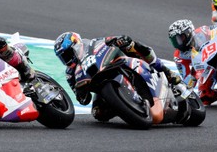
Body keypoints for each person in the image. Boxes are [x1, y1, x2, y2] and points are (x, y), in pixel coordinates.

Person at [53, 32, 182, 121]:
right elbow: (83, 100)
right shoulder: (70, 74)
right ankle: (128, 106)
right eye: (64, 58)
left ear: (76, 44)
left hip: (118, 63)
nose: (68, 59)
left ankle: (166, 72)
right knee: (98, 113)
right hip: (99, 84)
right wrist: (81, 91)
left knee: (133, 46)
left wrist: (121, 40)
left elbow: (114, 39)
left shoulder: (94, 43)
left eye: (68, 54)